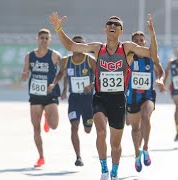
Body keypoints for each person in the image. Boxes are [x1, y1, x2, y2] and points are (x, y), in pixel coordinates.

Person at [49, 12, 159, 180]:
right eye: (109, 24)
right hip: (100, 97)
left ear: (121, 31)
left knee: (115, 145)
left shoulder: (127, 48)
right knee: (100, 132)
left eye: (116, 24)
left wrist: (151, 32)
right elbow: (71, 46)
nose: (112, 26)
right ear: (105, 29)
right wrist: (58, 28)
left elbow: (152, 54)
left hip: (118, 100)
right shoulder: (97, 48)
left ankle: (114, 171)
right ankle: (104, 170)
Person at [21, 28, 62, 167]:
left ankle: (48, 118)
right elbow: (25, 72)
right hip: (35, 95)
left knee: (54, 126)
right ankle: (41, 157)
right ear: (37, 39)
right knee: (36, 129)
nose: (44, 40)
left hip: (50, 94)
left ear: (50, 40)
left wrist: (55, 83)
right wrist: (24, 75)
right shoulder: (29, 56)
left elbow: (63, 72)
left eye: (46, 38)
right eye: (42, 38)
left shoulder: (55, 55)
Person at [126, 31, 165, 172]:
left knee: (145, 116)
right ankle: (137, 154)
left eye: (141, 40)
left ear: (145, 42)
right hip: (131, 97)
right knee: (135, 129)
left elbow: (161, 71)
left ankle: (146, 148)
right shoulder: (128, 57)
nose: (138, 42)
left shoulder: (151, 57)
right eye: (135, 40)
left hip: (147, 95)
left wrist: (160, 80)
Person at [58, 36, 96, 166]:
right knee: (74, 127)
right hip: (74, 99)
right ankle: (78, 157)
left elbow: (100, 76)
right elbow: (65, 75)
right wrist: (64, 90)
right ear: (71, 46)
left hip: (88, 100)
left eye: (81, 44)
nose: (78, 46)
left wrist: (91, 86)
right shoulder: (65, 61)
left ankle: (90, 121)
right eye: (76, 44)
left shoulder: (90, 60)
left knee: (87, 129)